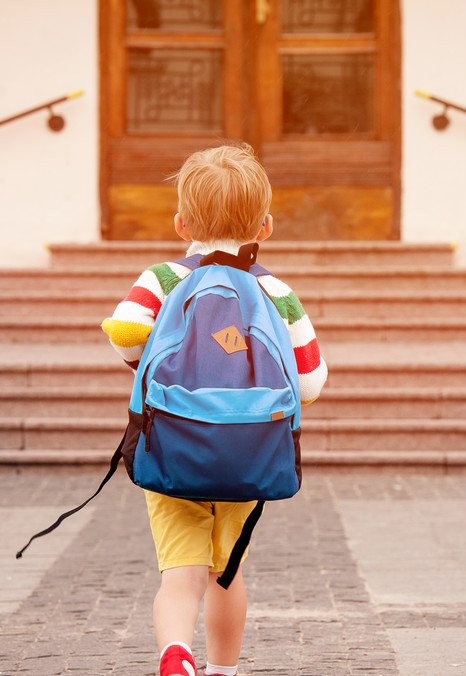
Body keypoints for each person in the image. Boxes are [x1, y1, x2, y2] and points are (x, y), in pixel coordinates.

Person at [102, 143, 328, 676]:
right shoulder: (276, 291)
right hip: (248, 455)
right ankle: (223, 671)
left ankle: (174, 654)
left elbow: (127, 333)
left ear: (182, 224)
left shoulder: (163, 277)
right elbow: (311, 382)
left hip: (172, 447)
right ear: (265, 227)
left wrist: (156, 368)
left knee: (179, 575)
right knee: (226, 575)